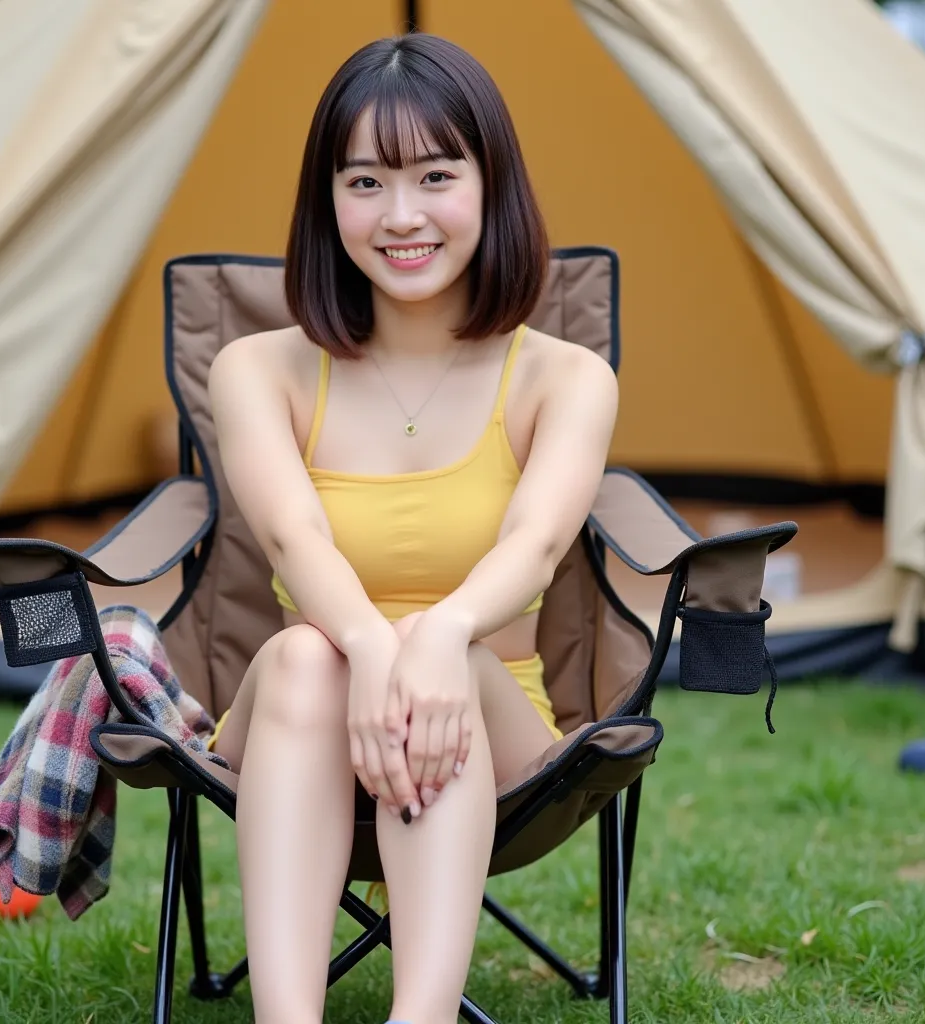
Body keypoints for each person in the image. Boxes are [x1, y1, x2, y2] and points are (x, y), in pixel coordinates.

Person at [206, 32, 619, 1024]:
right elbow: (296, 541)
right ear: (326, 198)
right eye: (364, 181)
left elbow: (533, 547)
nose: (400, 217)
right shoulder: (257, 369)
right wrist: (368, 643)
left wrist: (438, 631)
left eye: (436, 175)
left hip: (490, 710)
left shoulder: (564, 378)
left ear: (492, 185)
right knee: (310, 659)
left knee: (446, 658)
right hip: (301, 717)